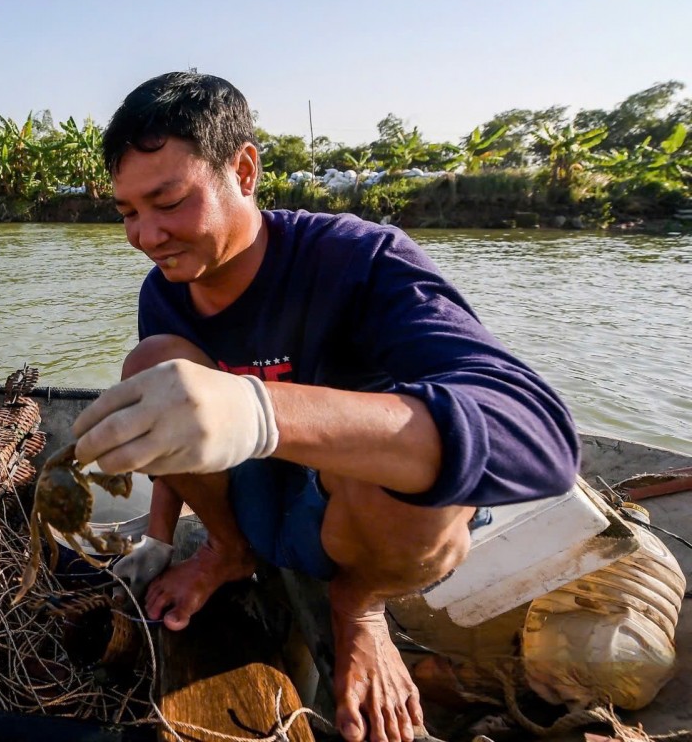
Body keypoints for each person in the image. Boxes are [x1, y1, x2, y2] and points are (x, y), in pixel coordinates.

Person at [72, 73, 580, 742]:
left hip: (360, 521)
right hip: (250, 505)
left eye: (168, 200)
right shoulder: (166, 288)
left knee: (409, 461)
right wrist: (163, 539)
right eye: (128, 212)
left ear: (244, 169)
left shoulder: (359, 260)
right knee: (150, 367)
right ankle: (228, 552)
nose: (147, 234)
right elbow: (168, 427)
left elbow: (539, 437)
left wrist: (261, 409)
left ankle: (359, 608)